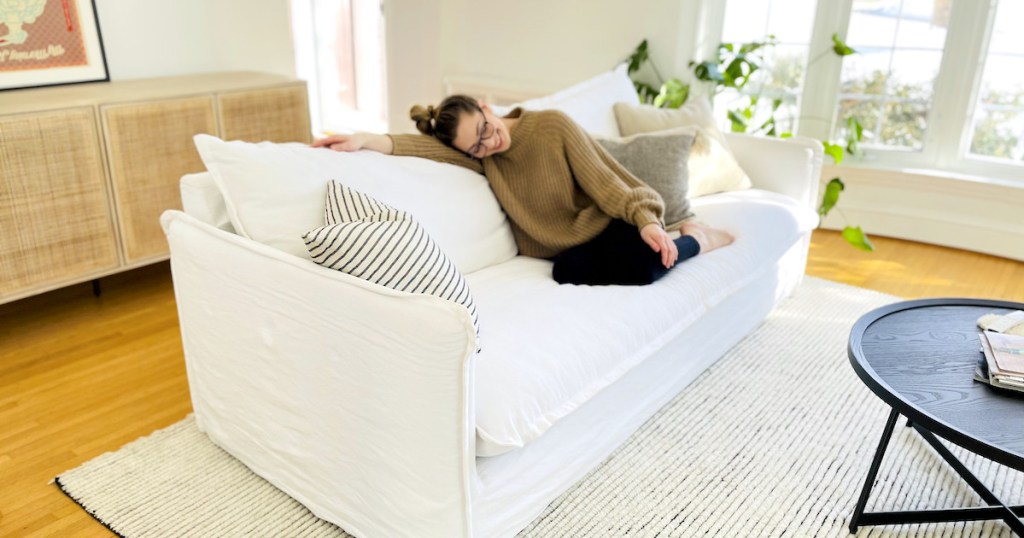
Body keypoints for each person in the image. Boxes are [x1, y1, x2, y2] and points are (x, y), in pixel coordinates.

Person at [312, 95, 734, 285]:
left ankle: (696, 237)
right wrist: (368, 140)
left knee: (644, 264)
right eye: (475, 146)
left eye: (485, 130)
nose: (488, 143)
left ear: (485, 107)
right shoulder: (482, 156)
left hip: (605, 223)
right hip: (565, 249)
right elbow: (423, 148)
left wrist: (646, 221)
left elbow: (607, 183)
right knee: (566, 273)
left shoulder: (551, 125)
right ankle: (678, 240)